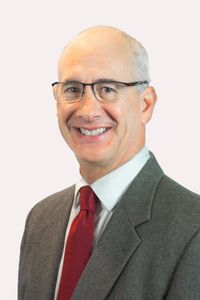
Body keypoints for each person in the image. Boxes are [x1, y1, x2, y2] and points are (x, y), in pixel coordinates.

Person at [18, 25, 200, 300]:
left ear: (146, 104)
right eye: (73, 89)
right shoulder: (41, 220)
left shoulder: (191, 229)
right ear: (57, 103)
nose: (88, 110)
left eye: (107, 89)